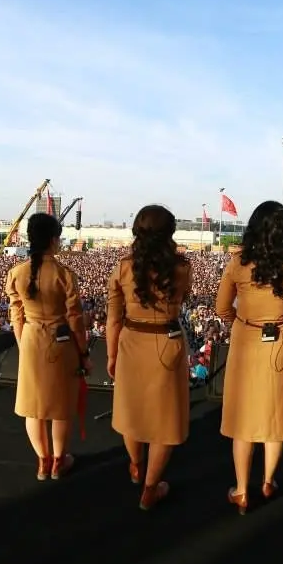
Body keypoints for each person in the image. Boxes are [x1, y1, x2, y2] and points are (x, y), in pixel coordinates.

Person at [216, 200, 283, 514]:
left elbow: (221, 309)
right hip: (281, 339)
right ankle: (268, 481)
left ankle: (242, 491)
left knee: (243, 418)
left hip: (246, 339)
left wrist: (241, 324)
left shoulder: (238, 263)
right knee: (276, 411)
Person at [106, 205, 192, 510]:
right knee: (165, 421)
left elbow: (113, 319)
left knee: (132, 412)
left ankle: (135, 464)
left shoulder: (123, 268)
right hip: (167, 342)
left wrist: (111, 354)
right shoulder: (182, 268)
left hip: (131, 342)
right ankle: (150, 488)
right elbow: (181, 299)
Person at [5, 213, 90, 481]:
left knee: (34, 406)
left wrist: (24, 344)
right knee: (61, 406)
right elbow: (76, 319)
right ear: (54, 239)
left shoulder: (16, 273)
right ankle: (57, 462)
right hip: (61, 342)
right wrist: (84, 353)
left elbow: (16, 316)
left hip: (30, 339)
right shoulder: (64, 274)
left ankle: (42, 462)